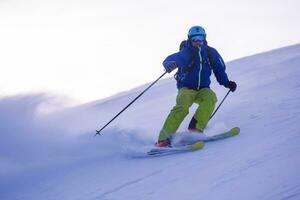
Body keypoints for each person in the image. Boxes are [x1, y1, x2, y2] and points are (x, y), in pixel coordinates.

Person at [156, 25, 237, 147]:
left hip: (203, 89)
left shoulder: (210, 53)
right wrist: (170, 64)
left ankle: (195, 130)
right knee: (182, 106)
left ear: (204, 38)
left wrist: (227, 83)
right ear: (190, 39)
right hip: (186, 88)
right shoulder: (186, 52)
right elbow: (172, 58)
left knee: (210, 98)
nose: (198, 41)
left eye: (200, 38)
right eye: (194, 39)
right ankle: (164, 139)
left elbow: (219, 70)